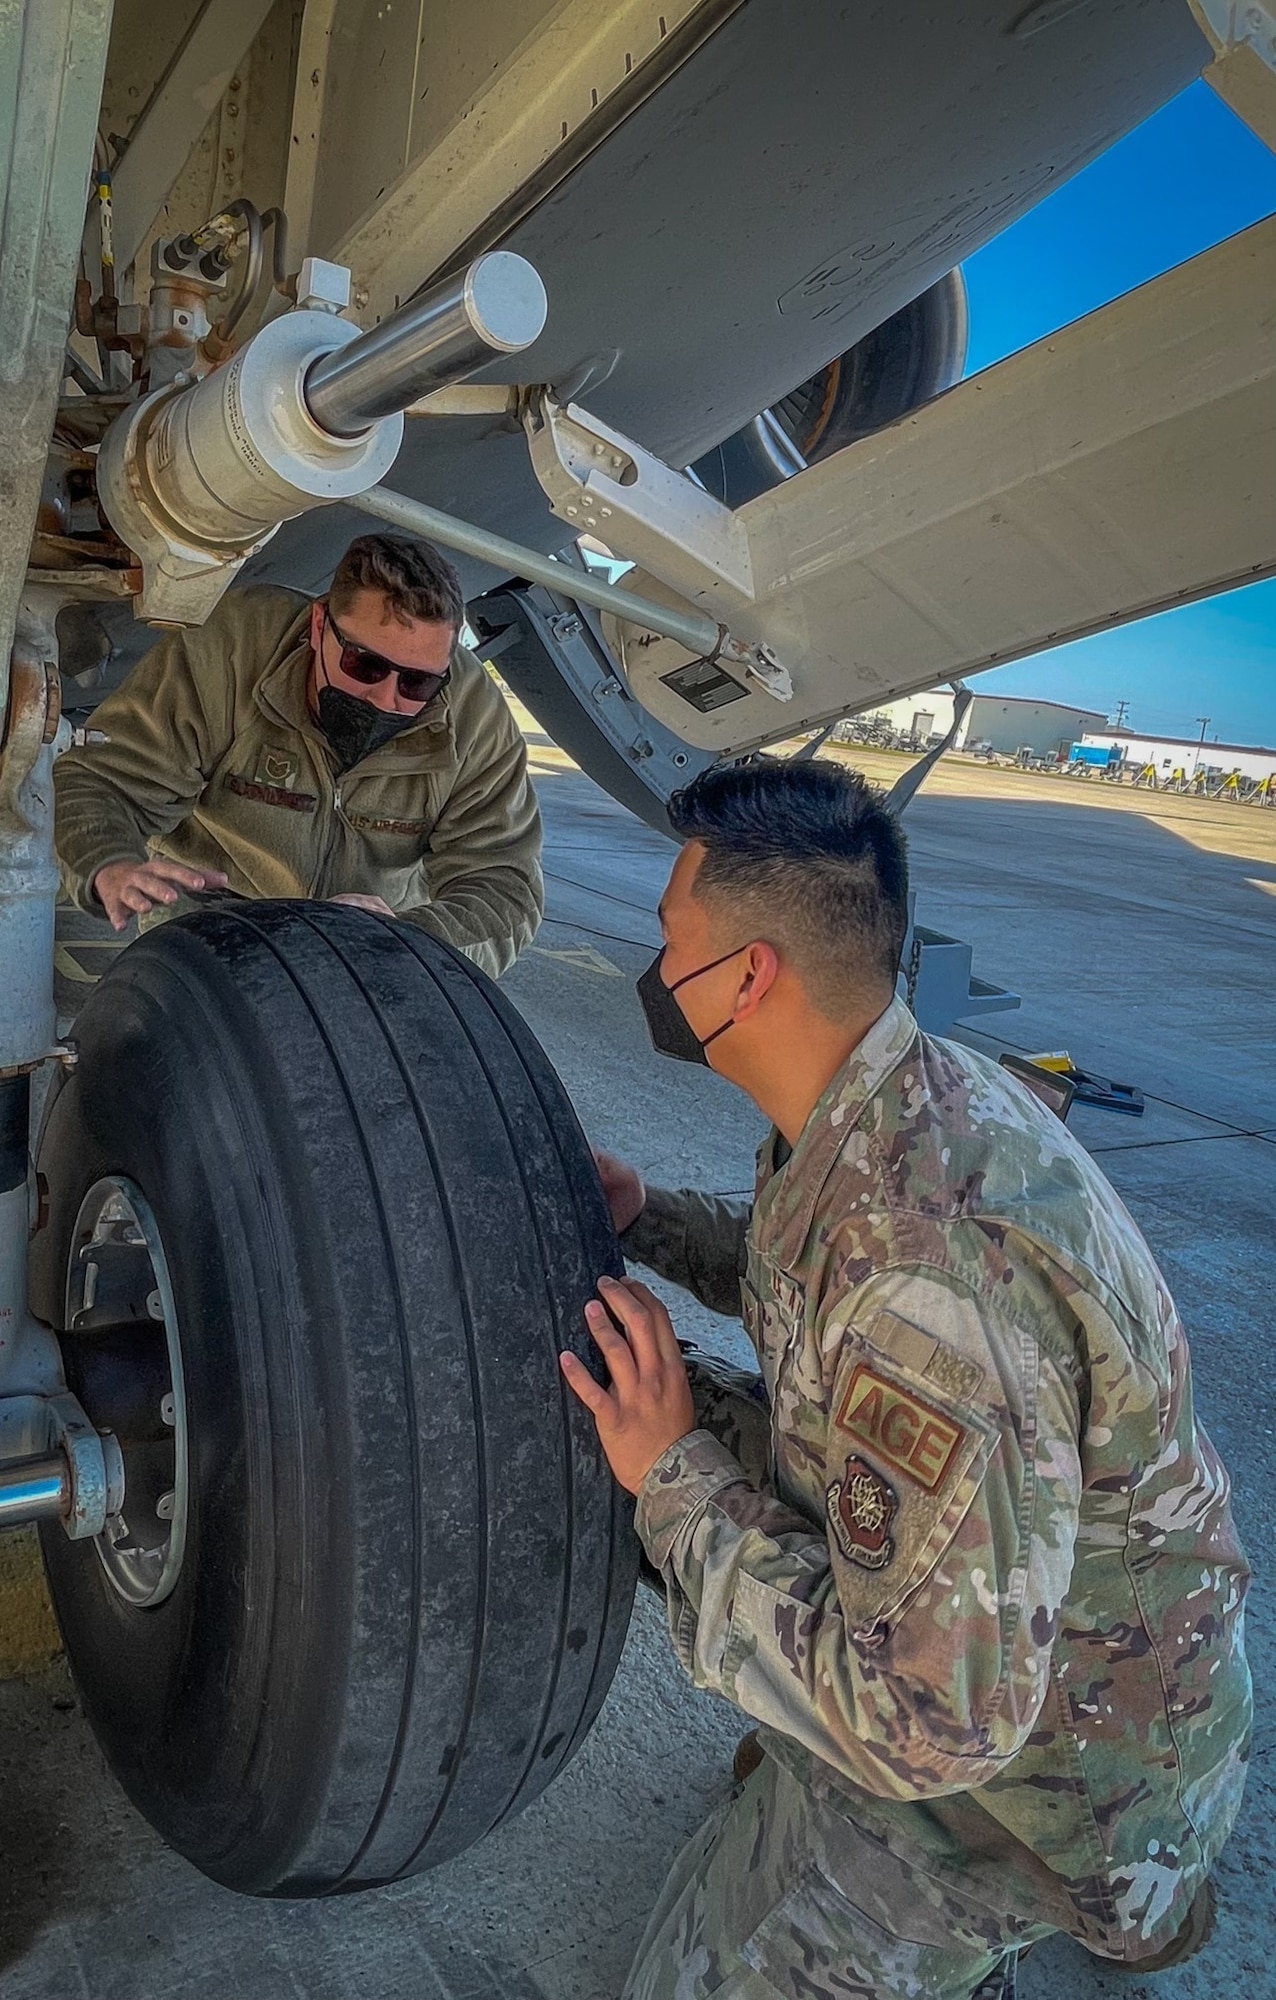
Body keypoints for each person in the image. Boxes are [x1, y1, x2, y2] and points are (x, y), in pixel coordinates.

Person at [560, 758, 1251, 2000]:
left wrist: (671, 1483)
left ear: (749, 975)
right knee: (635, 1397)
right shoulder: (900, 1094)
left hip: (1023, 1771)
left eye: (673, 937)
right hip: (1028, 1618)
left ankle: (1096, 1885)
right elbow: (815, 1269)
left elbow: (932, 1722)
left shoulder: (934, 1279)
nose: (658, 968)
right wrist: (649, 1214)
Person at [55, 533, 542, 978]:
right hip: (211, 913)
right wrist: (108, 862)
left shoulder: (474, 715)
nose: (387, 699)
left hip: (370, 937)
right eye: (365, 665)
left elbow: (502, 884)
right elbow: (103, 780)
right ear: (319, 626)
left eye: (418, 682)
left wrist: (411, 938)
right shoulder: (233, 649)